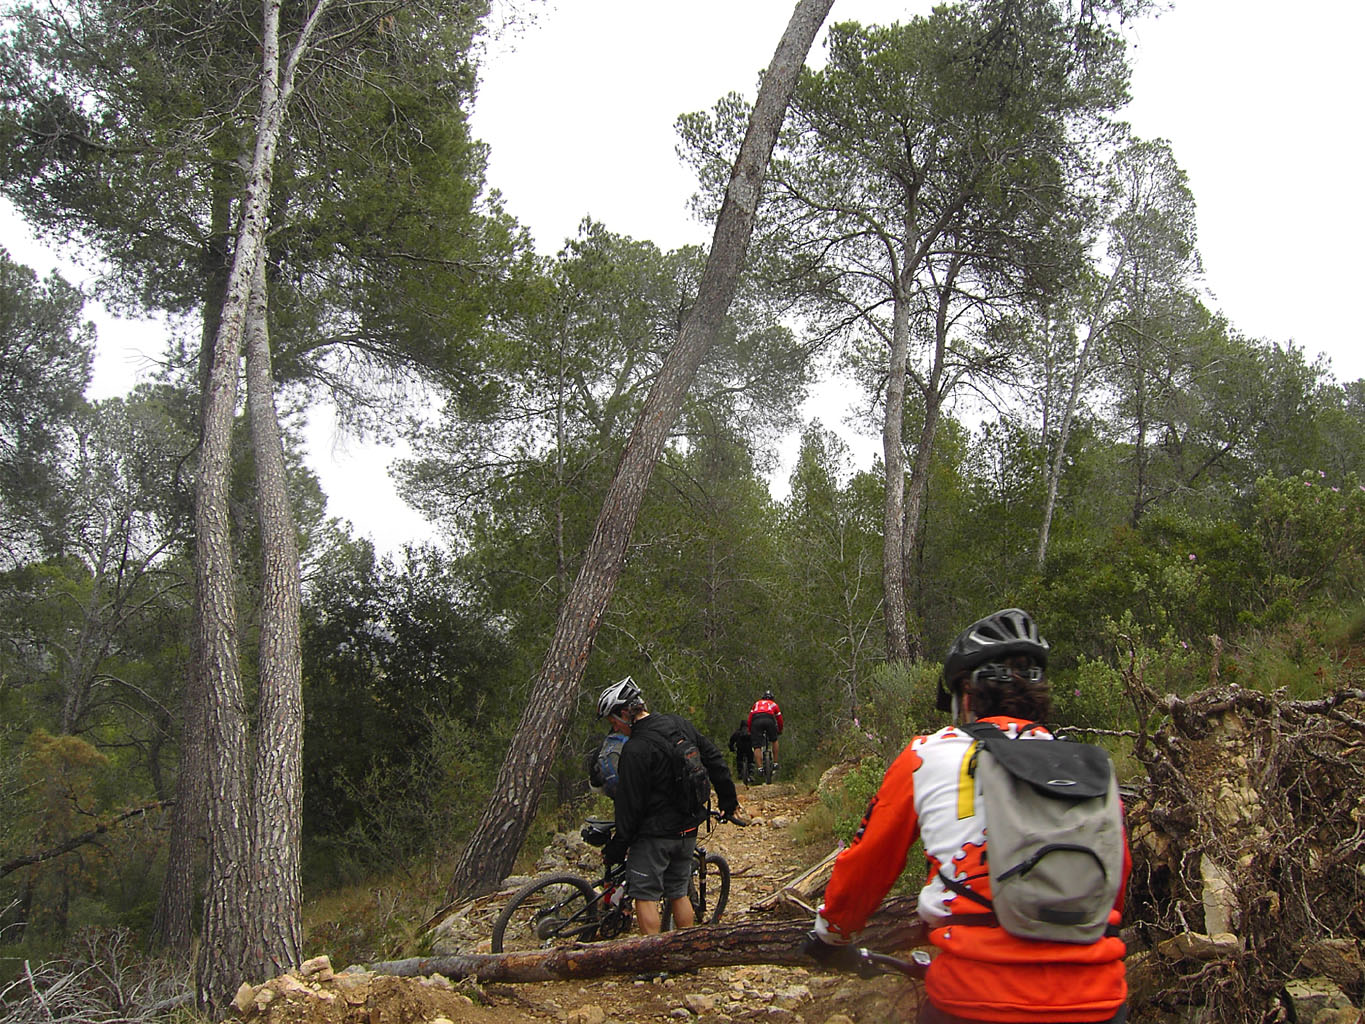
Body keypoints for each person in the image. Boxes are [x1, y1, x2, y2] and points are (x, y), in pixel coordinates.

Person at [804, 608, 1131, 1024]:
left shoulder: (928, 754)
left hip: (974, 999)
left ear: (967, 694)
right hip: (1097, 1001)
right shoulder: (1091, 767)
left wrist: (831, 935)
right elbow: (1114, 883)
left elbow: (867, 863)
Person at [596, 676, 743, 935]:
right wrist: (728, 800)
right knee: (678, 891)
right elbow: (714, 758)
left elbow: (630, 807)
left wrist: (617, 847)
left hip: (654, 836)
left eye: (613, 721)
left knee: (645, 896)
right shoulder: (678, 724)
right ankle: (684, 950)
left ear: (625, 713)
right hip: (688, 829)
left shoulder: (635, 749)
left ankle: (653, 954)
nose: (615, 728)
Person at [747, 689, 783, 776]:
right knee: (774, 740)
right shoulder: (774, 704)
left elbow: (750, 718)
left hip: (756, 720)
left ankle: (760, 768)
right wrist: (779, 730)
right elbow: (779, 719)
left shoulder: (756, 704)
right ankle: (775, 762)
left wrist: (749, 730)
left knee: (757, 746)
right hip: (769, 718)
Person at [728, 719, 754, 784]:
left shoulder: (737, 732)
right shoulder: (751, 732)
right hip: (749, 749)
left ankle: (740, 773)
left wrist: (731, 749)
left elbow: (731, 742)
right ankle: (751, 772)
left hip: (740, 749)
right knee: (751, 759)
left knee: (739, 759)